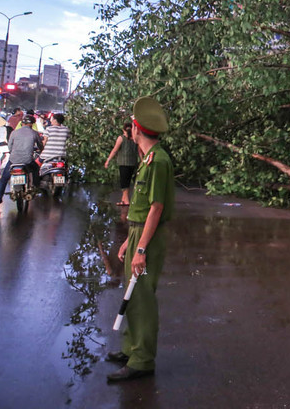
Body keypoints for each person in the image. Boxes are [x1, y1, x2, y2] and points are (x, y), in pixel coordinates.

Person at [107, 97, 174, 383]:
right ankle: (130, 350)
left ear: (136, 129)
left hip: (149, 238)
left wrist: (141, 248)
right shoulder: (148, 159)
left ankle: (142, 361)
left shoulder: (158, 161)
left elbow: (157, 208)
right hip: (138, 233)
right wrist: (129, 241)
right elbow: (143, 207)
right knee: (131, 293)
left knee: (142, 296)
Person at [0, 114, 42, 208]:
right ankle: (36, 188)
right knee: (36, 169)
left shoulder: (14, 132)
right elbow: (40, 145)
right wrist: (40, 149)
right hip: (27, 161)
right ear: (32, 124)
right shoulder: (34, 133)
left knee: (3, 179)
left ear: (22, 123)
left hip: (13, 161)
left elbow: (10, 147)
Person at [105, 122, 139, 206]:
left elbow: (115, 150)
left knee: (124, 182)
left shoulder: (121, 138)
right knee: (127, 181)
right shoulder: (135, 139)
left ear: (123, 129)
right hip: (133, 163)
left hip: (123, 163)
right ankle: (123, 200)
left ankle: (126, 200)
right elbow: (139, 152)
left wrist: (108, 160)